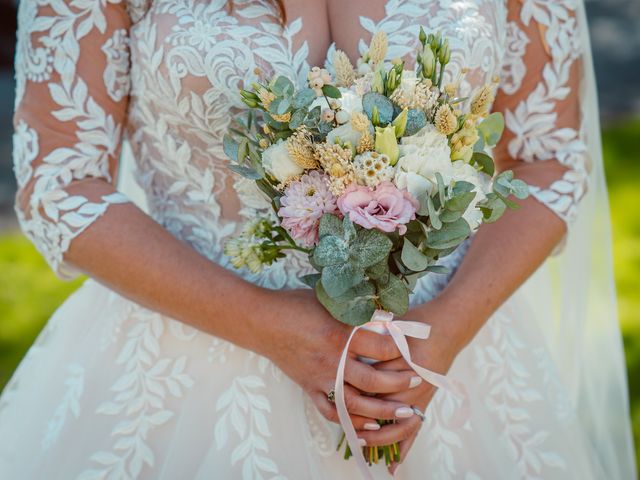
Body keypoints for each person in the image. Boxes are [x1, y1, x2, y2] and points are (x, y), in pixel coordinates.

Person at [0, 0, 636, 478]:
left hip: (447, 363)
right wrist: (274, 328)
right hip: (188, 365)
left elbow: (550, 157)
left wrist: (442, 333)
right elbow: (61, 181)